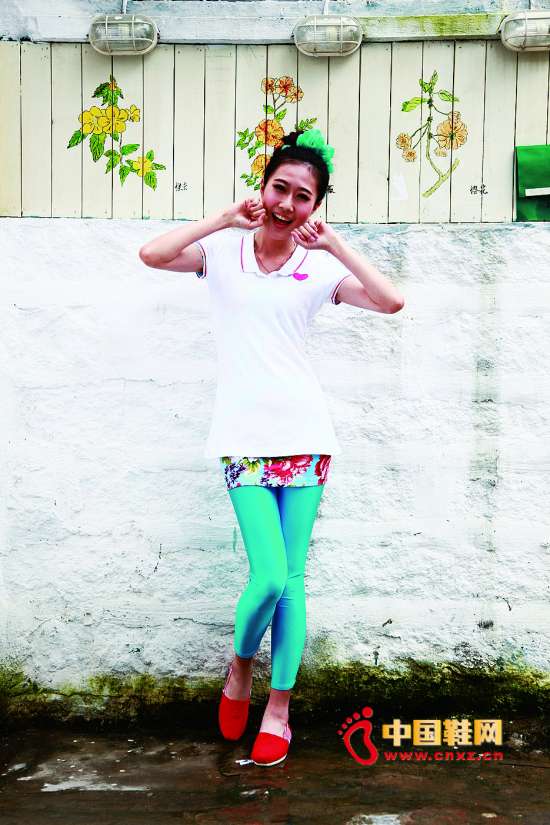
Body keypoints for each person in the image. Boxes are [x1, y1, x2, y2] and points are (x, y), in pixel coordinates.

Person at [139, 129, 405, 766]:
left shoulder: (320, 267)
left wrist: (335, 243)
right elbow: (152, 254)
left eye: (303, 196)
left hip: (306, 438)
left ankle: (279, 710)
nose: (287, 203)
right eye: (279, 188)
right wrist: (224, 218)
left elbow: (392, 301)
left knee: (292, 582)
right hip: (243, 439)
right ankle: (240, 668)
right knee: (267, 577)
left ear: (316, 205)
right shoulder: (221, 252)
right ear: (262, 189)